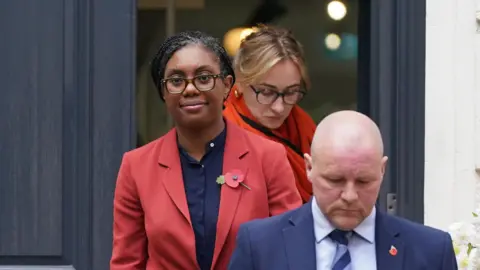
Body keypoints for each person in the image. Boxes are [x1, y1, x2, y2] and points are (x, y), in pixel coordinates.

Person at [109, 30, 302, 270]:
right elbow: (127, 263)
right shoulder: (136, 166)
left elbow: (291, 252)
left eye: (203, 78)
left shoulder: (268, 157)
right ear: (163, 92)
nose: (190, 89)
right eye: (176, 81)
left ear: (227, 86)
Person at [228, 110, 457, 270]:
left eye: (364, 181)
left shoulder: (431, 252)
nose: (349, 196)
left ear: (382, 170)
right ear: (309, 167)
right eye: (335, 180)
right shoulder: (260, 244)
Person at [223, 25, 316, 203]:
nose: (279, 107)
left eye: (291, 92)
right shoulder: (219, 134)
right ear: (239, 81)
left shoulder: (304, 125)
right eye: (266, 92)